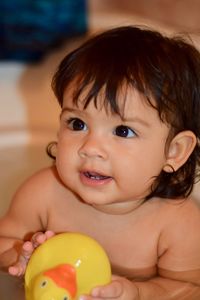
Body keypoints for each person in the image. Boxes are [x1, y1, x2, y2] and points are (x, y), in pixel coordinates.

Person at [0, 25, 200, 300]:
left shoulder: (178, 224)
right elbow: (3, 243)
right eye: (77, 123)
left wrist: (138, 292)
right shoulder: (42, 193)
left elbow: (189, 290)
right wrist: (20, 255)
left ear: (175, 152)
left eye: (123, 131)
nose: (91, 148)